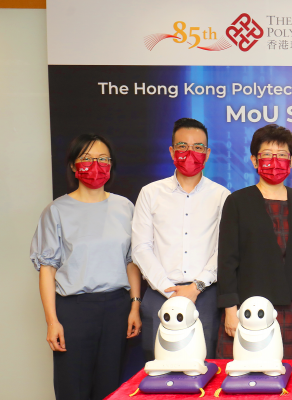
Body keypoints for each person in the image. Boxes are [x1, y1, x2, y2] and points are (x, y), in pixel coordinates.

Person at [30, 134, 141, 400]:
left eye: (103, 158)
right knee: (73, 388)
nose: (96, 165)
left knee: (112, 387)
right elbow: (47, 269)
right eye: (87, 158)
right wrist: (52, 321)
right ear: (72, 165)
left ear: (111, 164)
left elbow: (131, 261)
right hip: (74, 311)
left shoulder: (124, 206)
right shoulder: (56, 211)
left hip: (117, 308)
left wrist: (135, 305)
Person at [217, 124, 292, 359]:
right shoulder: (237, 202)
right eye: (266, 155)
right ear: (254, 160)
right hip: (248, 309)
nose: (274, 162)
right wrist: (230, 311)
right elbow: (227, 261)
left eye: (282, 155)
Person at [132, 118, 230, 360]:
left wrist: (196, 287)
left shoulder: (222, 196)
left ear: (207, 154)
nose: (190, 153)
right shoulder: (150, 193)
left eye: (198, 147)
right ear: (171, 151)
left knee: (203, 367)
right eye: (182, 146)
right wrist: (169, 290)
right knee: (159, 369)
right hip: (159, 293)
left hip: (205, 295)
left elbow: (224, 250)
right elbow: (141, 248)